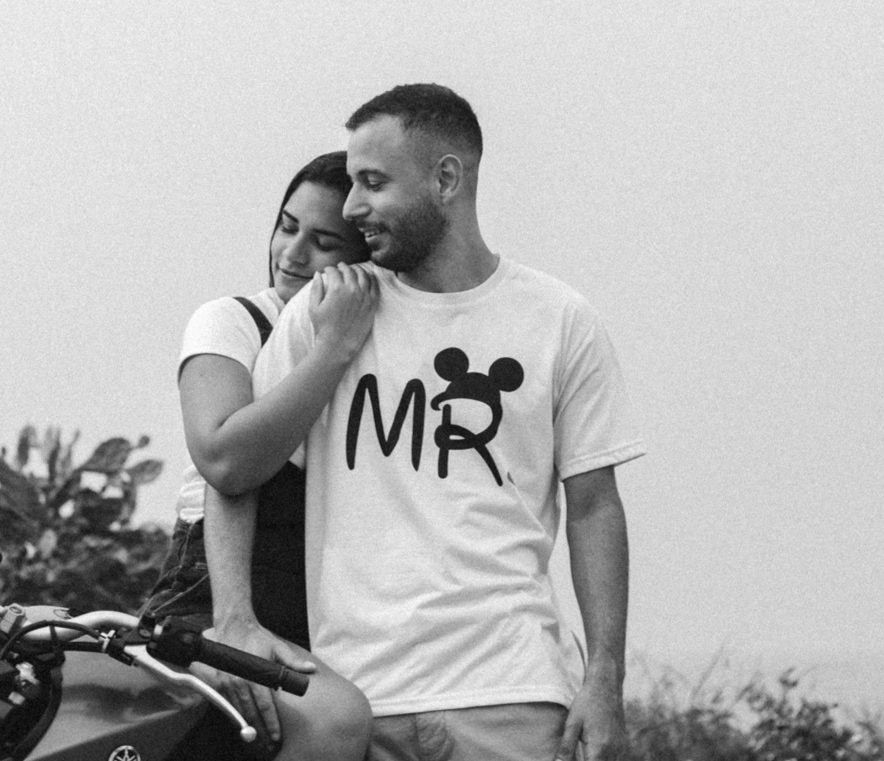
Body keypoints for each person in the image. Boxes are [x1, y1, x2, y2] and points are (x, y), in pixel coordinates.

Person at [220, 84, 647, 761]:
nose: (353, 205)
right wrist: (234, 621)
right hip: (354, 704)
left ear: (446, 179)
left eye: (373, 182)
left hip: (511, 694)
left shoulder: (560, 319)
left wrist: (604, 679)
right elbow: (237, 472)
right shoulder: (330, 311)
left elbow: (595, 507)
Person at [140, 150, 377, 761]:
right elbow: (223, 457)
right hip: (215, 590)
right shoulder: (235, 321)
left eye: (324, 241)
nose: (292, 253)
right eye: (287, 225)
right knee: (331, 724)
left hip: (328, 601)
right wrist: (332, 348)